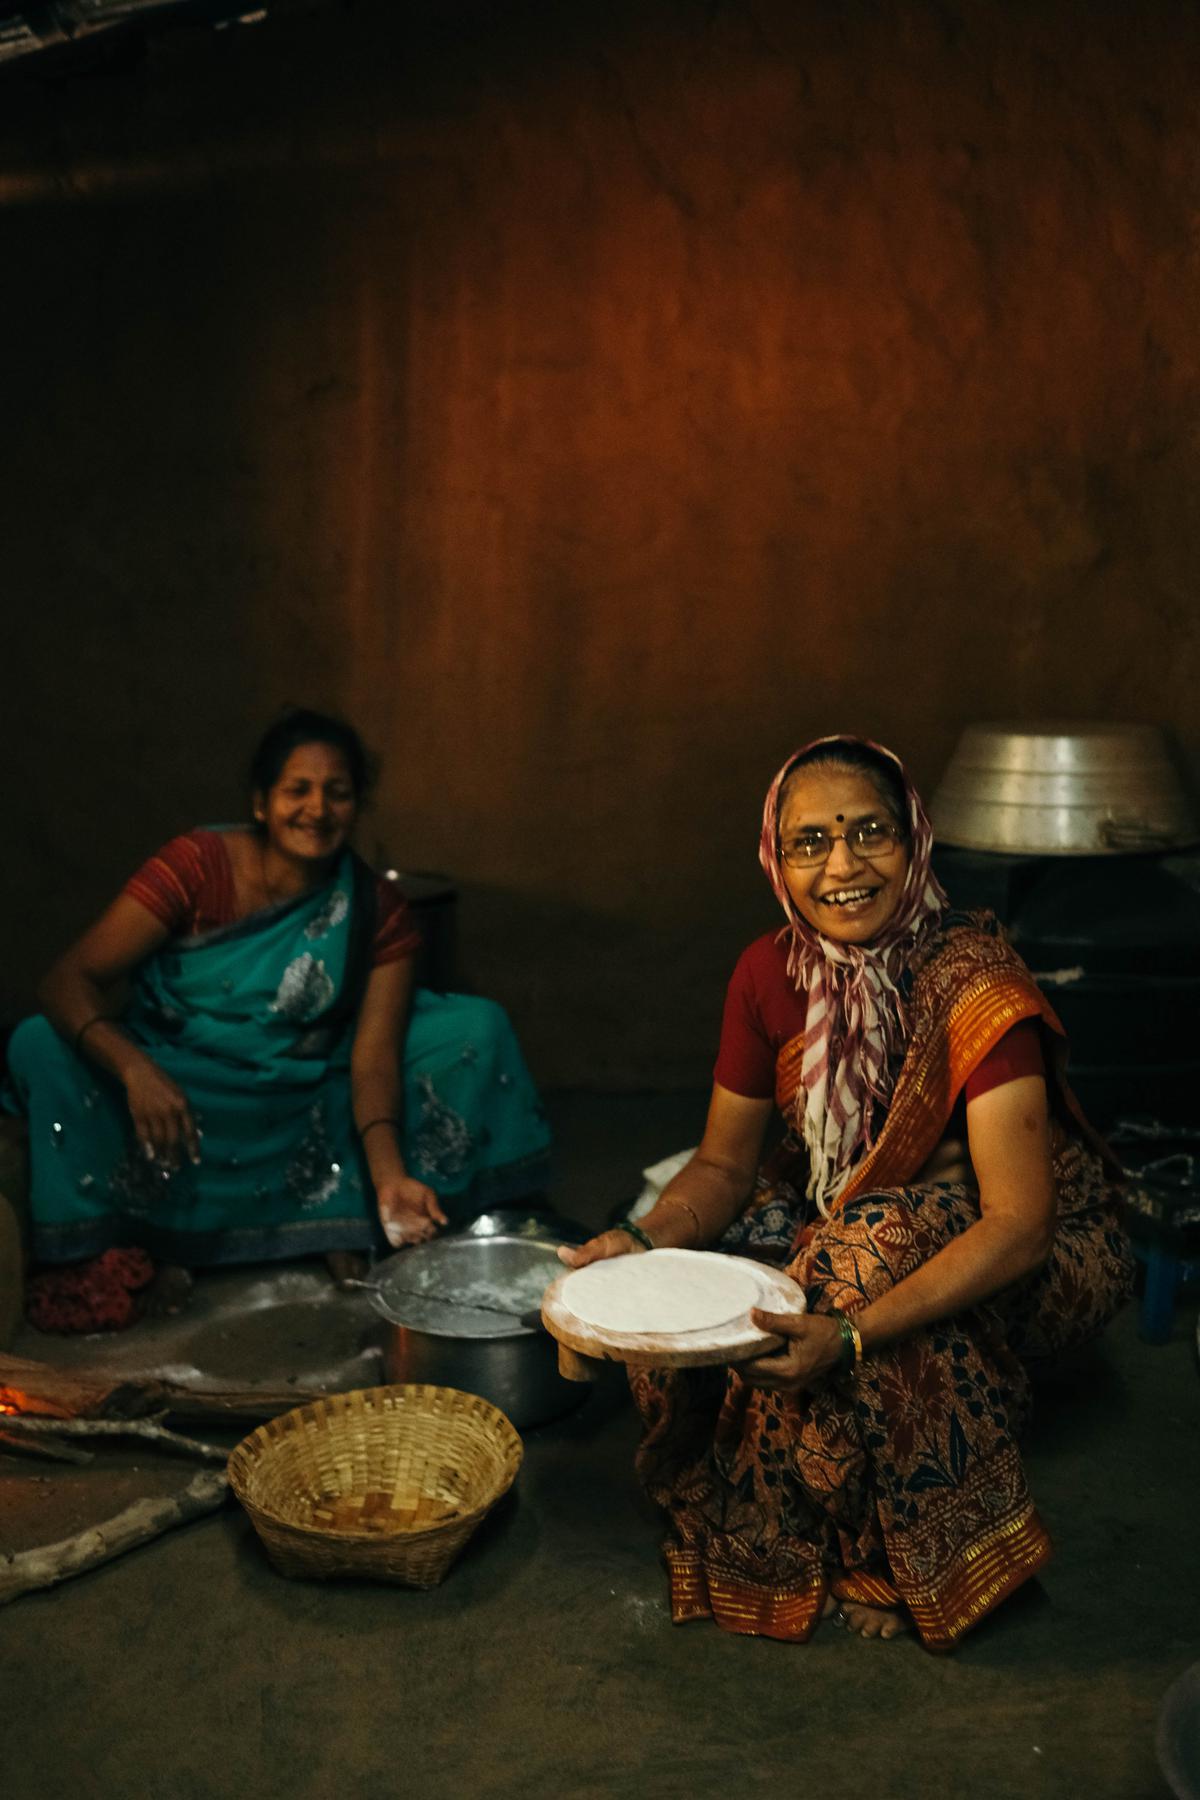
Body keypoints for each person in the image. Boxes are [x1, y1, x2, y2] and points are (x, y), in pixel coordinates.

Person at [560, 734, 1132, 1652]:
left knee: (849, 1265)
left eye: (871, 833)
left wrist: (852, 1334)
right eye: (810, 842)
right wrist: (642, 1239)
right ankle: (782, 1512)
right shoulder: (768, 972)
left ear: (915, 843)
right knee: (700, 1279)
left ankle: (898, 1555)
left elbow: (1022, 1225)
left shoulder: (973, 980)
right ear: (776, 861)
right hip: (858, 1215)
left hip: (1040, 1253)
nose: (843, 866)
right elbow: (721, 1169)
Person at [5, 708, 550, 1322]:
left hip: (303, 1081)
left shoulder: (376, 907)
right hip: (182, 1078)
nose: (317, 809)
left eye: (337, 793)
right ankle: (149, 1233)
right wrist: (136, 1071)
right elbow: (67, 979)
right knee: (38, 1044)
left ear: (355, 806)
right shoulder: (197, 865)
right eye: (298, 790)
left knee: (472, 1030)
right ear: (261, 803)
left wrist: (391, 1176)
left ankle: (350, 1215)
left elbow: (373, 1059)